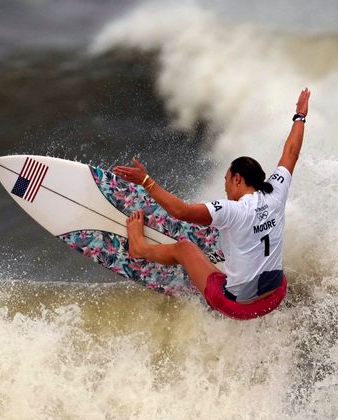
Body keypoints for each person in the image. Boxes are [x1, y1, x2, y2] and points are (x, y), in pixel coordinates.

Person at [113, 88, 310, 320]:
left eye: (226, 180)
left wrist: (146, 181)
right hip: (276, 295)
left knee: (185, 247)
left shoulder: (232, 210)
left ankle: (139, 248)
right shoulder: (276, 191)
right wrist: (300, 116)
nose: (225, 187)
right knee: (235, 238)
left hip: (240, 307)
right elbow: (291, 153)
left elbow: (181, 212)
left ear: (237, 179)